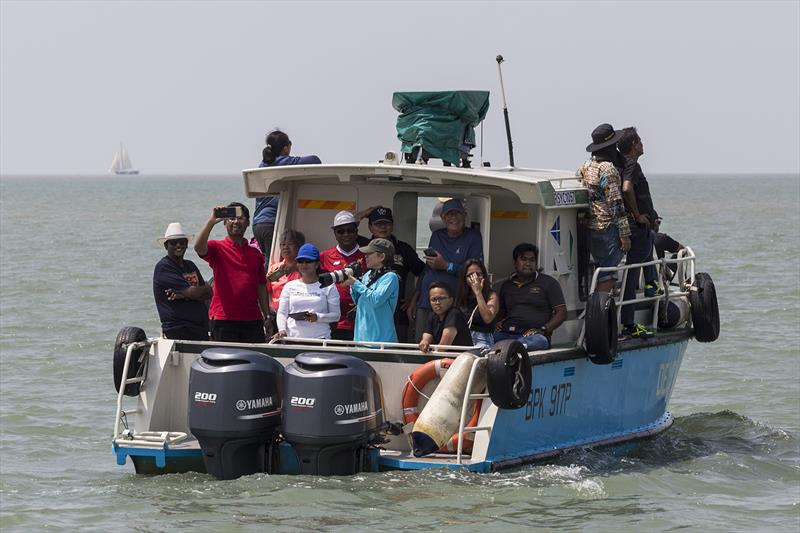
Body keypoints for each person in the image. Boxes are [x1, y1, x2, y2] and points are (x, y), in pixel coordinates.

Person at [410, 198, 484, 342]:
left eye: (457, 213)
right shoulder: (437, 235)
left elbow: (473, 271)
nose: (453, 218)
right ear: (443, 218)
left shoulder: (473, 237)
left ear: (465, 215)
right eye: (449, 214)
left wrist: (446, 266)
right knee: (422, 343)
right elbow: (428, 267)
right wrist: (415, 298)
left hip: (453, 303)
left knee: (447, 345)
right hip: (427, 301)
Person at [195, 202, 270, 343]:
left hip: (252, 319)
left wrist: (267, 316)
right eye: (231, 218)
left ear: (248, 223)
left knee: (253, 363)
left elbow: (261, 286)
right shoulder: (216, 247)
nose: (236, 221)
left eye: (241, 218)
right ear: (224, 222)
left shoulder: (256, 254)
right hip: (224, 319)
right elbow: (198, 247)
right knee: (225, 364)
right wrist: (211, 222)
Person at [577, 123, 631, 293]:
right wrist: (625, 235)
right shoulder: (609, 170)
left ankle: (596, 306)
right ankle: (600, 311)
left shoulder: (585, 167)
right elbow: (616, 204)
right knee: (608, 274)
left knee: (599, 268)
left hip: (592, 228)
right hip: (608, 229)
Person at [617, 127, 660, 339]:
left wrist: (652, 216)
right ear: (634, 144)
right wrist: (638, 215)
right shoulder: (631, 164)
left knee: (650, 240)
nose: (643, 144)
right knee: (632, 273)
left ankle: (652, 284)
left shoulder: (621, 164)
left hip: (641, 227)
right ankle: (628, 324)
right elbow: (627, 188)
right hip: (636, 227)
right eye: (640, 140)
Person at [252, 130, 321, 260]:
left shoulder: (263, 164)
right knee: (275, 260)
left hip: (258, 224)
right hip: (271, 222)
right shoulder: (284, 162)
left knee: (268, 258)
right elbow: (315, 160)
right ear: (286, 148)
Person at [362, 206, 425, 342]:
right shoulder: (363, 245)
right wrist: (363, 214)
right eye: (378, 224)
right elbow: (345, 226)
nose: (383, 227)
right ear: (370, 227)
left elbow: (424, 273)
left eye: (387, 223)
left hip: (397, 316)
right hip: (369, 316)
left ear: (392, 226)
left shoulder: (404, 249)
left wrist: (413, 299)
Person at [495, 243, 566, 351]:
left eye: (532, 260)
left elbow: (561, 312)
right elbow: (501, 312)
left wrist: (543, 329)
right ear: (515, 263)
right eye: (523, 259)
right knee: (485, 339)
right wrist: (498, 322)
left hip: (533, 337)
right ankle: (510, 348)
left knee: (539, 341)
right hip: (506, 334)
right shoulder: (507, 286)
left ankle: (512, 348)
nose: (528, 263)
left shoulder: (548, 282)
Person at [152, 222, 212, 341]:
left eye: (182, 242)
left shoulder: (190, 265)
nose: (178, 245)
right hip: (179, 329)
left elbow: (208, 293)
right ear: (166, 246)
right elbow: (195, 292)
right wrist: (194, 292)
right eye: (174, 243)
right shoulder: (164, 267)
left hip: (200, 328)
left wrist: (182, 294)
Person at [273, 243, 340, 340]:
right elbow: (282, 313)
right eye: (300, 261)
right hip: (292, 339)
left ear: (317, 264)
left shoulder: (329, 286)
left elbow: (336, 316)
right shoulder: (289, 286)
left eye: (308, 261)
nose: (304, 264)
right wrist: (282, 330)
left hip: (320, 339)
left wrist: (317, 317)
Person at [319, 210, 368, 340]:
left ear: (356, 231)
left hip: (362, 321)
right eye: (341, 231)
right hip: (334, 323)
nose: (346, 234)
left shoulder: (368, 256)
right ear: (335, 233)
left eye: (350, 230)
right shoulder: (324, 256)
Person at [344, 238, 400, 343]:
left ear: (382, 256)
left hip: (382, 343)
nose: (365, 256)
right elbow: (357, 300)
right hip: (360, 340)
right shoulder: (367, 275)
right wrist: (351, 282)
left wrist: (355, 283)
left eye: (369, 253)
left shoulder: (391, 277)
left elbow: (376, 300)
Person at [455, 259, 499, 348]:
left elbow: (488, 318)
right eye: (470, 275)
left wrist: (478, 293)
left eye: (478, 274)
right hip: (462, 339)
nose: (475, 278)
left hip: (482, 339)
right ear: (464, 278)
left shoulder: (491, 296)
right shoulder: (461, 297)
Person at [419, 282, 473, 353]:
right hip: (443, 359)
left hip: (460, 359)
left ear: (451, 300)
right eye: (433, 299)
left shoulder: (454, 313)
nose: (437, 302)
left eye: (441, 298)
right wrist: (424, 343)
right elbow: (425, 339)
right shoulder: (432, 315)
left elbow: (443, 347)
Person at [266, 229, 305, 311]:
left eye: (290, 244)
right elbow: (266, 290)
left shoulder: (304, 267)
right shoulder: (274, 267)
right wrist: (271, 305)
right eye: (282, 244)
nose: (285, 247)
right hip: (275, 313)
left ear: (300, 246)